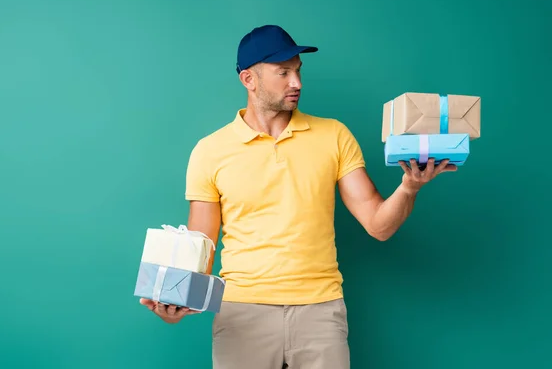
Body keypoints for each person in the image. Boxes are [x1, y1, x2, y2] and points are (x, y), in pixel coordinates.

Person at [140, 24, 456, 368]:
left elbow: (378, 225)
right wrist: (176, 304)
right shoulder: (210, 151)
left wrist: (409, 186)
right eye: (284, 72)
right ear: (249, 79)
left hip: (320, 312)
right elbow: (201, 244)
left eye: (298, 71)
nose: (297, 83)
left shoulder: (334, 136)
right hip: (242, 313)